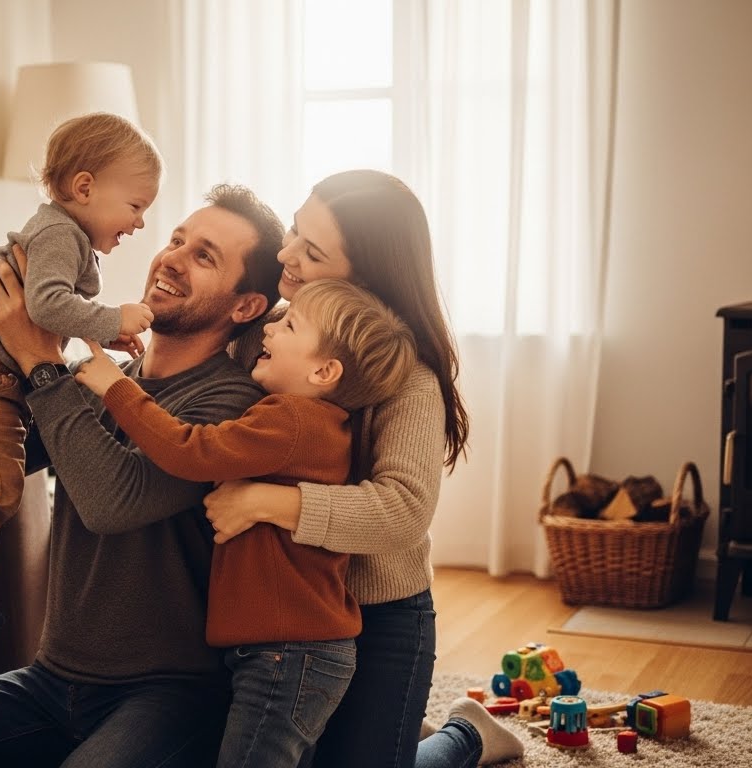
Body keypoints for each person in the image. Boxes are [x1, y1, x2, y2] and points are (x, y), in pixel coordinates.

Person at [0, 183, 287, 768]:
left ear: (245, 306)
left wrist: (42, 361)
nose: (173, 257)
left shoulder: (228, 405)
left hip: (168, 693)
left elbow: (114, 501)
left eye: (205, 255)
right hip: (53, 679)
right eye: (178, 238)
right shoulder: (100, 378)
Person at [207, 169, 522, 767]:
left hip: (381, 614)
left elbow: (402, 511)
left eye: (313, 251)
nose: (286, 254)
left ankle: (467, 736)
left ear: (366, 279)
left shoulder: (410, 382)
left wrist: (263, 502)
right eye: (295, 231)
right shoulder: (270, 332)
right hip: (283, 612)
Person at [74, 277, 417, 767]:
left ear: (323, 370)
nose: (271, 329)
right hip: (293, 653)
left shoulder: (290, 420)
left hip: (287, 656)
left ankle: (463, 739)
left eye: (291, 324)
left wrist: (116, 386)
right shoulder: (313, 423)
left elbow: (190, 450)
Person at [0, 112, 162, 628]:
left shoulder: (59, 232)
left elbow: (47, 311)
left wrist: (100, 331)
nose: (140, 222)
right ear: (85, 187)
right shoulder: (60, 233)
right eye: (136, 206)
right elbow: (49, 306)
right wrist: (115, 315)